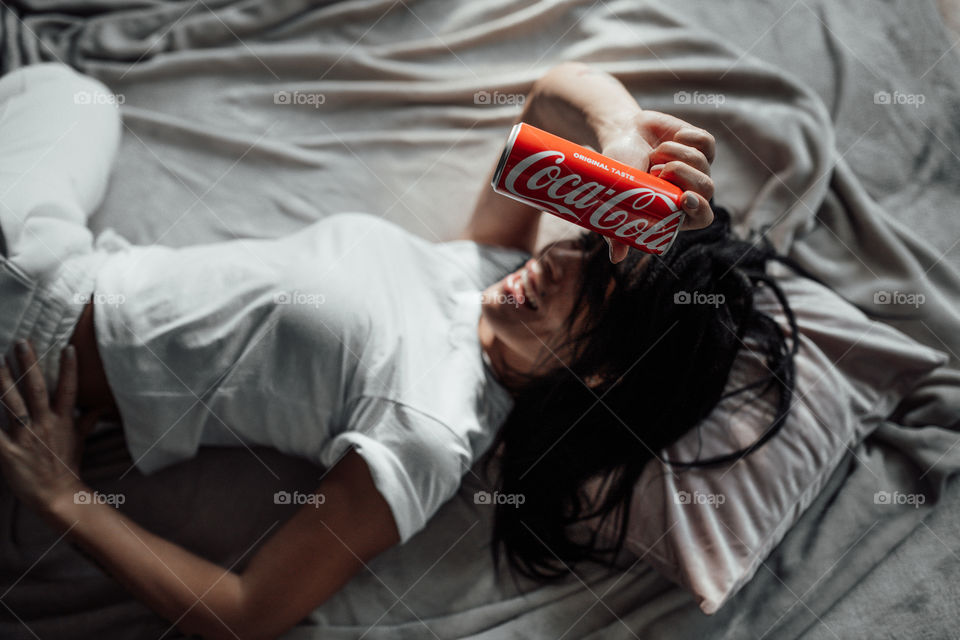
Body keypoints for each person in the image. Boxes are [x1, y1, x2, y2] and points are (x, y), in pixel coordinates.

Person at [0, 61, 800, 639]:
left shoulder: (429, 426)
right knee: (68, 89)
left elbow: (249, 614)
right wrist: (623, 141)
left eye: (589, 288)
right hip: (60, 253)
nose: (555, 262)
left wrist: (64, 499)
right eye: (583, 245)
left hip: (30, 322)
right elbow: (553, 98)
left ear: (602, 371)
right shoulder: (494, 262)